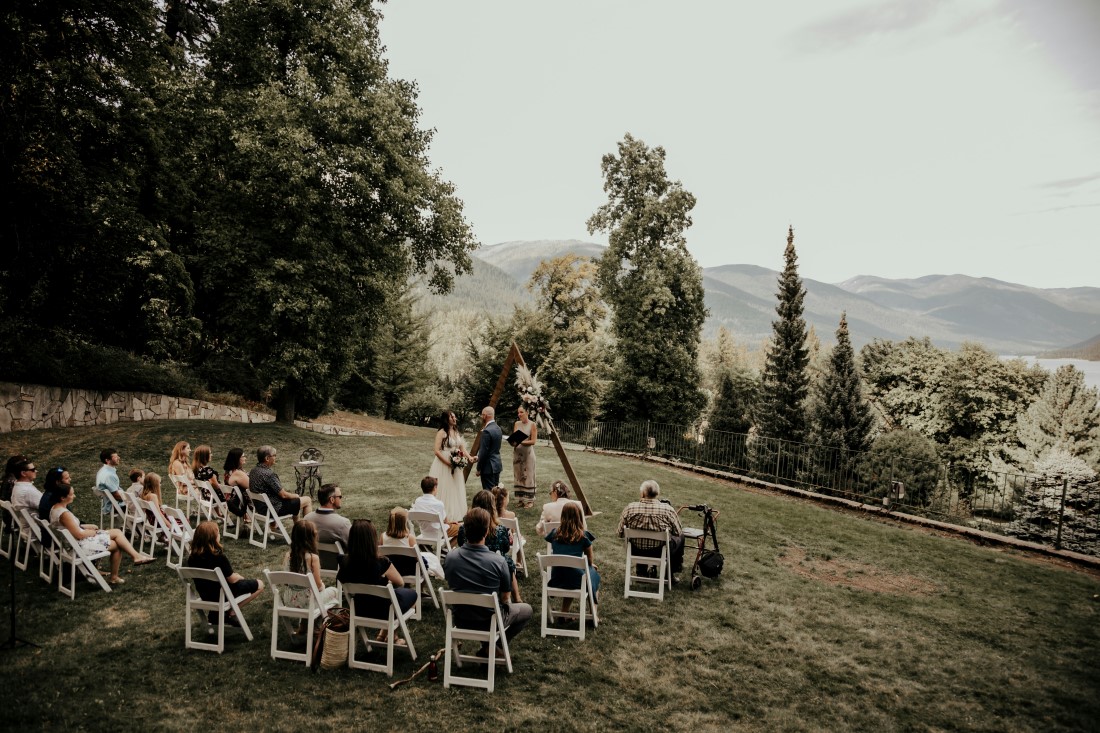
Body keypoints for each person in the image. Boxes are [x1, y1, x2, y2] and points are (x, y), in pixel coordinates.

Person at [444, 507, 532, 654]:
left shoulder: (450, 558)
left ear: (465, 530)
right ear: (486, 532)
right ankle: (493, 647)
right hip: (489, 621)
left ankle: (489, 647)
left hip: (461, 619)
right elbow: (505, 598)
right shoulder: (498, 561)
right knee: (526, 610)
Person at [48, 482, 154, 584]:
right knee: (116, 544)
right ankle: (117, 574)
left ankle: (135, 558)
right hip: (79, 546)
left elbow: (70, 528)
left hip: (73, 544)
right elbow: (79, 535)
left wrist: (87, 527)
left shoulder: (55, 509)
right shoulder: (64, 514)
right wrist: (91, 532)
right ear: (62, 497)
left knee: (116, 532)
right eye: (72, 494)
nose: (74, 496)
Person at [338, 518, 416, 641]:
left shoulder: (344, 562)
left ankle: (384, 634)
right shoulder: (381, 562)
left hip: (359, 609)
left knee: (392, 595)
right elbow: (400, 582)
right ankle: (392, 636)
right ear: (371, 539)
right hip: (382, 610)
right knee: (412, 595)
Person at [185, 520, 264, 626]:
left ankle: (216, 615)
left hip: (206, 595)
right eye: (218, 533)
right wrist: (239, 577)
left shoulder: (192, 558)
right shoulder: (219, 558)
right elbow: (232, 579)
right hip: (224, 594)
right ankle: (231, 611)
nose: (219, 535)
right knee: (260, 584)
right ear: (212, 538)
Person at [457, 490, 521, 603]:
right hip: (494, 566)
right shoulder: (499, 529)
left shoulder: (464, 528)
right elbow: (505, 548)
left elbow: (461, 544)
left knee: (506, 561)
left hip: (469, 562)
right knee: (507, 561)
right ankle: (516, 598)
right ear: (492, 507)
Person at [617, 479, 686, 576]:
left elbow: (620, 533)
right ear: (657, 493)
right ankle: (671, 571)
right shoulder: (668, 510)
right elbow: (677, 532)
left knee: (639, 541)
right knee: (681, 537)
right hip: (660, 551)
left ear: (642, 493)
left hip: (635, 551)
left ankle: (641, 572)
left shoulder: (630, 508)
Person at [545, 502, 600, 613]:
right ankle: (593, 613)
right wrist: (590, 565)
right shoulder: (583, 536)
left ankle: (564, 612)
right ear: (579, 517)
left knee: (571, 571)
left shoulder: (554, 534)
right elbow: (589, 561)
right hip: (577, 580)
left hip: (557, 579)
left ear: (563, 516)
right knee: (594, 575)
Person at [284, 519, 340, 612]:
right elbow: (318, 585)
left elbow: (286, 582)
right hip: (308, 603)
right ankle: (327, 622)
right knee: (334, 591)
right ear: (311, 538)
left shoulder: (288, 556)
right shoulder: (313, 558)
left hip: (290, 601)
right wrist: (322, 586)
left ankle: (305, 624)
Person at [427, 410, 473, 522]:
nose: (454, 418)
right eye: (452, 417)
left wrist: (469, 457)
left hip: (455, 463)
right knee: (444, 486)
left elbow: (462, 448)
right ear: (446, 419)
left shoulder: (456, 432)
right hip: (443, 463)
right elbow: (437, 451)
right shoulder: (441, 432)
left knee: (454, 487)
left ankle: (454, 513)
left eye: (455, 416)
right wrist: (448, 463)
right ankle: (442, 513)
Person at [249, 445, 311, 519]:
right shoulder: (269, 474)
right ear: (267, 458)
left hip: (261, 508)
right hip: (274, 508)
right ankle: (306, 529)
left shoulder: (253, 471)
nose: (275, 457)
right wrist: (296, 496)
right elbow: (284, 495)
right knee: (307, 500)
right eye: (274, 455)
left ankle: (297, 528)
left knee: (295, 503)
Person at [382, 506, 444, 580]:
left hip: (392, 570)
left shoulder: (382, 536)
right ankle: (421, 589)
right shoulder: (409, 538)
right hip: (409, 570)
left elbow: (381, 555)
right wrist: (426, 565)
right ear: (404, 523)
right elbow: (418, 558)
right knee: (426, 565)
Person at [410, 475, 459, 541]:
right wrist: (451, 523)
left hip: (425, 532)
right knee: (463, 529)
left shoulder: (418, 501)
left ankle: (442, 548)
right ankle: (447, 549)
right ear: (435, 488)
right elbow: (445, 522)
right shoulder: (439, 504)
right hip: (439, 533)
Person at [511, 405, 538, 508]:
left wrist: (521, 441)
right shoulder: (517, 424)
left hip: (528, 455)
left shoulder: (532, 424)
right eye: (518, 412)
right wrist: (513, 441)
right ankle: (520, 500)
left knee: (529, 476)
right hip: (517, 454)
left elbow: (533, 441)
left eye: (521, 412)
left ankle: (530, 500)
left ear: (527, 412)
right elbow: (514, 438)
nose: (519, 414)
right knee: (518, 475)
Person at [475, 406, 503, 491]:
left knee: (489, 492)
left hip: (488, 467)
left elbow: (483, 452)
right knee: (496, 491)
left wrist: (479, 468)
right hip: (497, 464)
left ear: (485, 416)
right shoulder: (498, 428)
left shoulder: (487, 431)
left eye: (482, 415)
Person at [221, 447, 251, 518]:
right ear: (237, 459)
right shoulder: (237, 473)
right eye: (243, 456)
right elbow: (252, 486)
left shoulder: (228, 472)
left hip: (235, 500)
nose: (245, 458)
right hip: (243, 503)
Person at [95, 447, 124, 518]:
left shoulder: (102, 470)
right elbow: (117, 496)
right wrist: (131, 500)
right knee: (141, 506)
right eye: (116, 457)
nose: (119, 458)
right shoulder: (109, 475)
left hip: (108, 504)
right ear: (107, 460)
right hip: (114, 506)